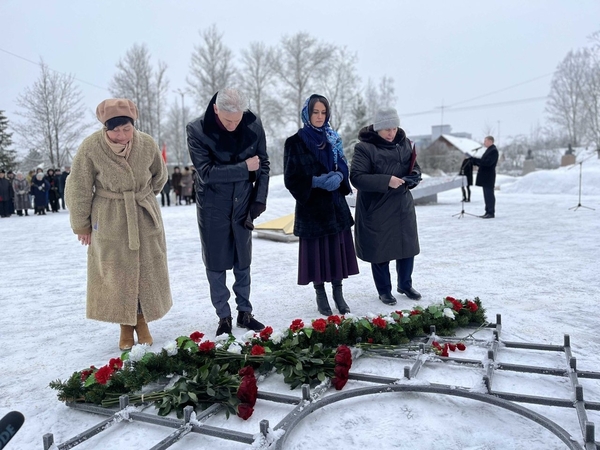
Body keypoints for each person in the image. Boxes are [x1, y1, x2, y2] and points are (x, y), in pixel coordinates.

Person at [65, 98, 172, 351]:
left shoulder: (146, 143)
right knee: (117, 273)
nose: (121, 135)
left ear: (133, 124)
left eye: (127, 128)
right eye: (115, 129)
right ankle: (125, 326)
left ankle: (142, 321)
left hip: (144, 217)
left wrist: (144, 198)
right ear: (105, 127)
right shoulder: (91, 147)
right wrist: (82, 225)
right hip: (109, 218)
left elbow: (160, 175)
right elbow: (78, 186)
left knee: (146, 271)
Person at [187, 88, 270, 336]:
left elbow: (263, 164)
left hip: (243, 202)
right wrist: (245, 167)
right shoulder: (197, 130)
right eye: (227, 120)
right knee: (216, 263)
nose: (234, 125)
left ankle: (245, 312)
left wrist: (260, 199)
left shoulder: (253, 126)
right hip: (213, 206)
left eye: (237, 120)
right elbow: (208, 173)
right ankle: (223, 316)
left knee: (243, 260)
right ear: (216, 110)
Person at [284, 94, 358, 316]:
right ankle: (320, 294)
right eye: (315, 112)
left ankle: (338, 293)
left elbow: (344, 165)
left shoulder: (333, 138)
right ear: (307, 113)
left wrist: (339, 175)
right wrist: (313, 182)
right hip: (312, 210)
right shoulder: (295, 142)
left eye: (323, 112)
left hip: (335, 207)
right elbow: (291, 178)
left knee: (336, 251)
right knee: (317, 254)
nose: (319, 116)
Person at [350, 108, 422, 305]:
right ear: (377, 128)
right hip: (377, 207)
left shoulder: (405, 143)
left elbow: (415, 167)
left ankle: (405, 284)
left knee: (407, 247)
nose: (391, 133)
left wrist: (413, 177)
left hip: (402, 205)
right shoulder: (365, 148)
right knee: (380, 250)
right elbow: (357, 178)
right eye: (386, 129)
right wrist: (386, 180)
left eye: (394, 128)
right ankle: (384, 290)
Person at [471, 135, 499, 219]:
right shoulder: (489, 150)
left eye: (485, 141)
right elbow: (483, 162)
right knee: (486, 195)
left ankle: (491, 212)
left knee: (489, 194)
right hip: (485, 176)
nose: (484, 142)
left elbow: (488, 163)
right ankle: (487, 211)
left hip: (489, 176)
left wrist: (476, 160)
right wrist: (474, 161)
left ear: (490, 141)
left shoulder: (493, 151)